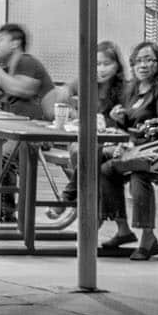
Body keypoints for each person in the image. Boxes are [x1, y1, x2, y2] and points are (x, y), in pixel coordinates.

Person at [97, 40, 158, 259]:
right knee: (106, 168)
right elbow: (132, 124)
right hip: (143, 153)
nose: (143, 65)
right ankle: (123, 229)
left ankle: (147, 236)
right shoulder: (133, 89)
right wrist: (119, 119)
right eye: (139, 61)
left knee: (138, 172)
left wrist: (131, 143)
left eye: (149, 60)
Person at [0, 23, 55, 221]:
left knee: (7, 153)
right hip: (9, 131)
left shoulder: (27, 62)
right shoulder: (5, 70)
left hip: (36, 133)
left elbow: (19, 89)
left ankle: (6, 210)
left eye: (0, 39)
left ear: (15, 43)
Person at [55, 40, 129, 209]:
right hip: (89, 136)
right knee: (77, 149)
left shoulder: (125, 89)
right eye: (97, 64)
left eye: (107, 64)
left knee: (86, 152)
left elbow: (127, 122)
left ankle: (76, 196)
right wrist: (74, 112)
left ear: (117, 66)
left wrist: (116, 117)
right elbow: (63, 93)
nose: (101, 69)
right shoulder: (86, 82)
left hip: (112, 141)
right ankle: (85, 195)